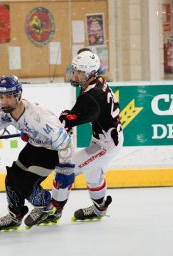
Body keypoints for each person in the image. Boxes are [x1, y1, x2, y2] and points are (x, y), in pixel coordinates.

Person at [0, 75, 75, 231]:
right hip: (33, 146)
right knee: (11, 178)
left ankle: (46, 206)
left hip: (51, 151)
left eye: (9, 96)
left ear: (18, 95)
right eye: (1, 97)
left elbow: (65, 143)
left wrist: (66, 169)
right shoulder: (1, 113)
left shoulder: (38, 117)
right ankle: (14, 215)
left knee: (25, 184)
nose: (4, 101)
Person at [47, 51, 124, 222]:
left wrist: (64, 123)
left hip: (106, 145)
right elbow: (83, 113)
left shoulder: (92, 94)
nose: (75, 74)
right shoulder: (97, 82)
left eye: (80, 72)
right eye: (75, 70)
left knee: (66, 170)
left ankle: (54, 211)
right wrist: (68, 119)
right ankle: (100, 208)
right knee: (93, 175)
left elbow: (81, 115)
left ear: (90, 73)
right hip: (105, 140)